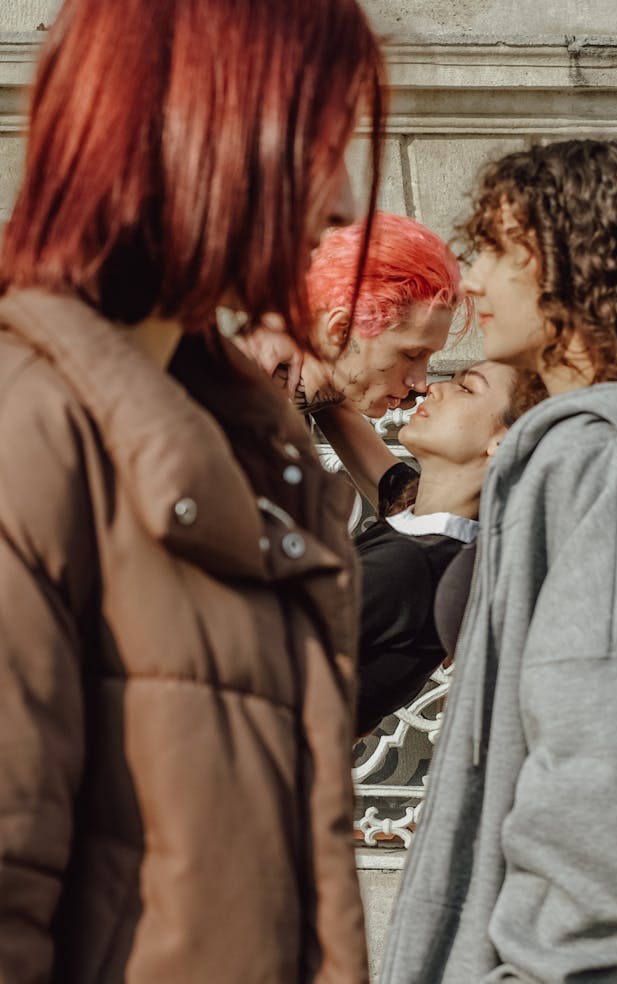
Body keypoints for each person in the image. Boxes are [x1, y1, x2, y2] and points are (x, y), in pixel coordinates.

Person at [0, 1, 385, 981]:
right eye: (318, 143)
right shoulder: (30, 435)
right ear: (191, 128)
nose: (344, 202)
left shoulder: (248, 441)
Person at [381, 140, 617, 983]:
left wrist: (549, 965)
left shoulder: (593, 460)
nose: (470, 282)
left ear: (573, 269)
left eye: (495, 252)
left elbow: (611, 752)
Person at [354, 361, 538, 733]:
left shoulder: (410, 567)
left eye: (467, 388)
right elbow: (332, 408)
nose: (433, 388)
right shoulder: (430, 532)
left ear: (502, 446)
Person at [234, 210, 467, 420]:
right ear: (340, 330)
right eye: (411, 354)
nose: (420, 382)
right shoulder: (235, 400)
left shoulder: (295, 392)